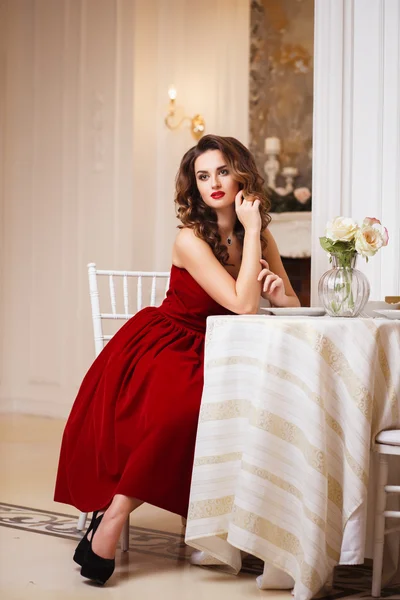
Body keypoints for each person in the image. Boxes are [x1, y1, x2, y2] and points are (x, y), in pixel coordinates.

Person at [54, 134, 300, 585]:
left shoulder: (261, 236)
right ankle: (112, 516)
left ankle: (235, 527)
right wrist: (249, 242)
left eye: (223, 171)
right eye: (203, 176)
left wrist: (280, 294)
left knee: (263, 408)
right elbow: (242, 305)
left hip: (227, 351)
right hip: (169, 344)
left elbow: (288, 302)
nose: (215, 184)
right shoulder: (190, 238)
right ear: (195, 187)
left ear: (241, 173)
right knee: (181, 414)